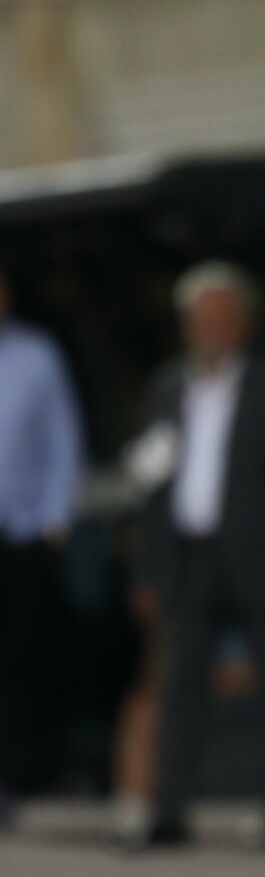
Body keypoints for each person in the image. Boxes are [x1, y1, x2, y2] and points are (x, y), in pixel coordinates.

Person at [133, 263, 265, 847]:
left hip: (258, 557)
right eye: (199, 319)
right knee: (179, 684)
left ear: (242, 323)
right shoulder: (168, 387)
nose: (208, 329)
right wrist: (148, 570)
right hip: (189, 557)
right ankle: (170, 810)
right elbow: (151, 483)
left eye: (220, 318)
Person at [0, 270, 84, 816]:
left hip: (20, 532)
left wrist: (55, 520)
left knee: (16, 661)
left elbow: (62, 437)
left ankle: (10, 778)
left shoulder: (36, 355)